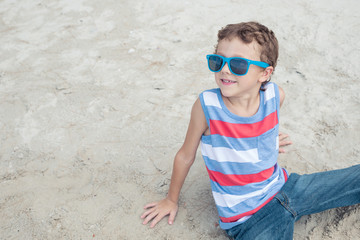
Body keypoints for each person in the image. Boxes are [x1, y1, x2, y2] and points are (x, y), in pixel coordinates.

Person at [141, 22, 360, 239]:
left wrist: (269, 141)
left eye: (237, 64)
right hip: (249, 219)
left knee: (352, 179)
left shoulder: (275, 95)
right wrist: (171, 199)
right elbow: (185, 155)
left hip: (287, 189)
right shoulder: (207, 106)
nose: (224, 69)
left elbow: (257, 129)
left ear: (264, 74)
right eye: (217, 61)